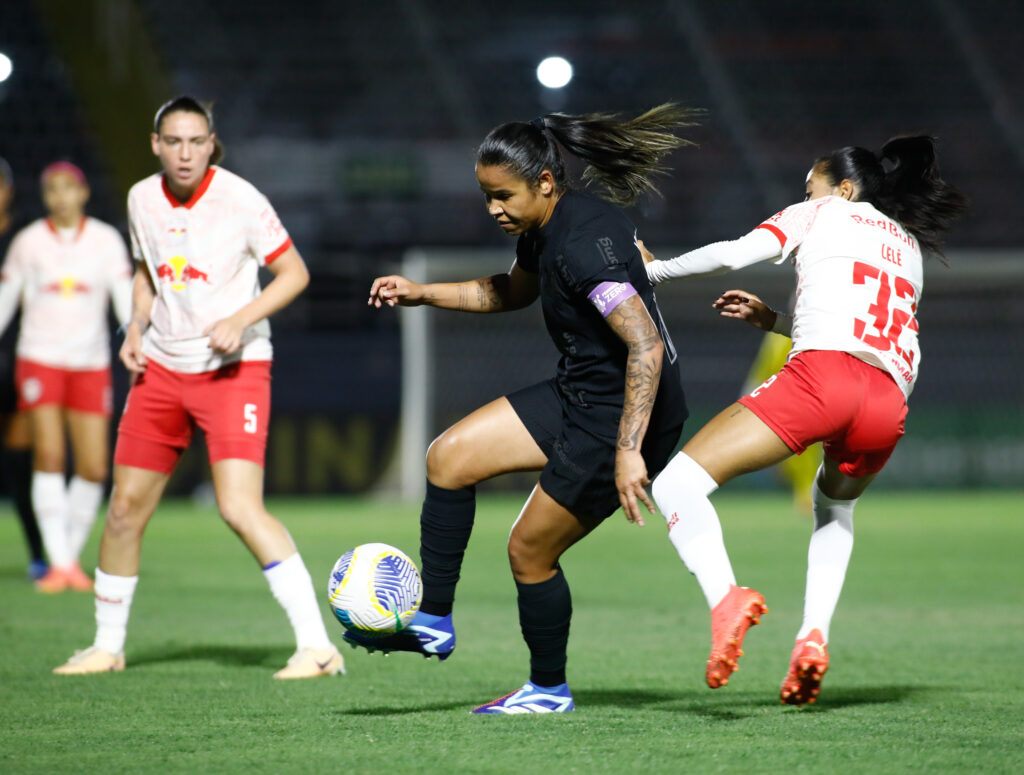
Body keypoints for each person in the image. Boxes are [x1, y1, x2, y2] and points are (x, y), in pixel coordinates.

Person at [358, 105, 695, 713]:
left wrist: (628, 452)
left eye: (502, 195)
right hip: (582, 391)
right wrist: (423, 293)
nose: (494, 209)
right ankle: (433, 620)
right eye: (486, 196)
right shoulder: (546, 227)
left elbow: (644, 344)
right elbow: (513, 290)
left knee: (529, 551)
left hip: (622, 415)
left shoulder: (583, 245)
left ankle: (548, 690)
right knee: (448, 458)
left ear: (543, 182)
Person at [643, 135, 967, 705]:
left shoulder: (823, 211)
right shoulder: (907, 244)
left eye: (810, 186)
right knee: (834, 508)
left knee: (675, 484)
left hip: (823, 380)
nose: (805, 195)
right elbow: (858, 321)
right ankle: (813, 636)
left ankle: (726, 600)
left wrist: (657, 271)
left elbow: (733, 254)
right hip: (888, 402)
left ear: (843, 188)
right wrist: (774, 320)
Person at [53, 96, 342, 678]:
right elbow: (147, 273)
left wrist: (241, 318)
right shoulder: (141, 198)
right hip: (160, 368)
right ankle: (107, 646)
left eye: (196, 141)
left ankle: (317, 648)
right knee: (124, 509)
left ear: (211, 145)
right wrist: (136, 325)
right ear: (156, 145)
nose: (185, 153)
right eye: (174, 142)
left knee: (239, 507)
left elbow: (295, 273)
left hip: (234, 370)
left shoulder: (240, 199)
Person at [0, 161, 131, 592]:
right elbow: (5, 300)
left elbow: (125, 301)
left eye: (68, 187)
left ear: (84, 192)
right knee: (50, 455)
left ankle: (66, 559)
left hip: (90, 362)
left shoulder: (106, 241)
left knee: (93, 466)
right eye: (52, 189)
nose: (60, 197)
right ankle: (59, 564)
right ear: (44, 197)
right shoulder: (29, 242)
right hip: (40, 358)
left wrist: (139, 340)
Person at [0, 156, 47, 580]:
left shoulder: (27, 240)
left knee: (21, 467)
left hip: (18, 364)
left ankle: (39, 555)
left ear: (9, 190)